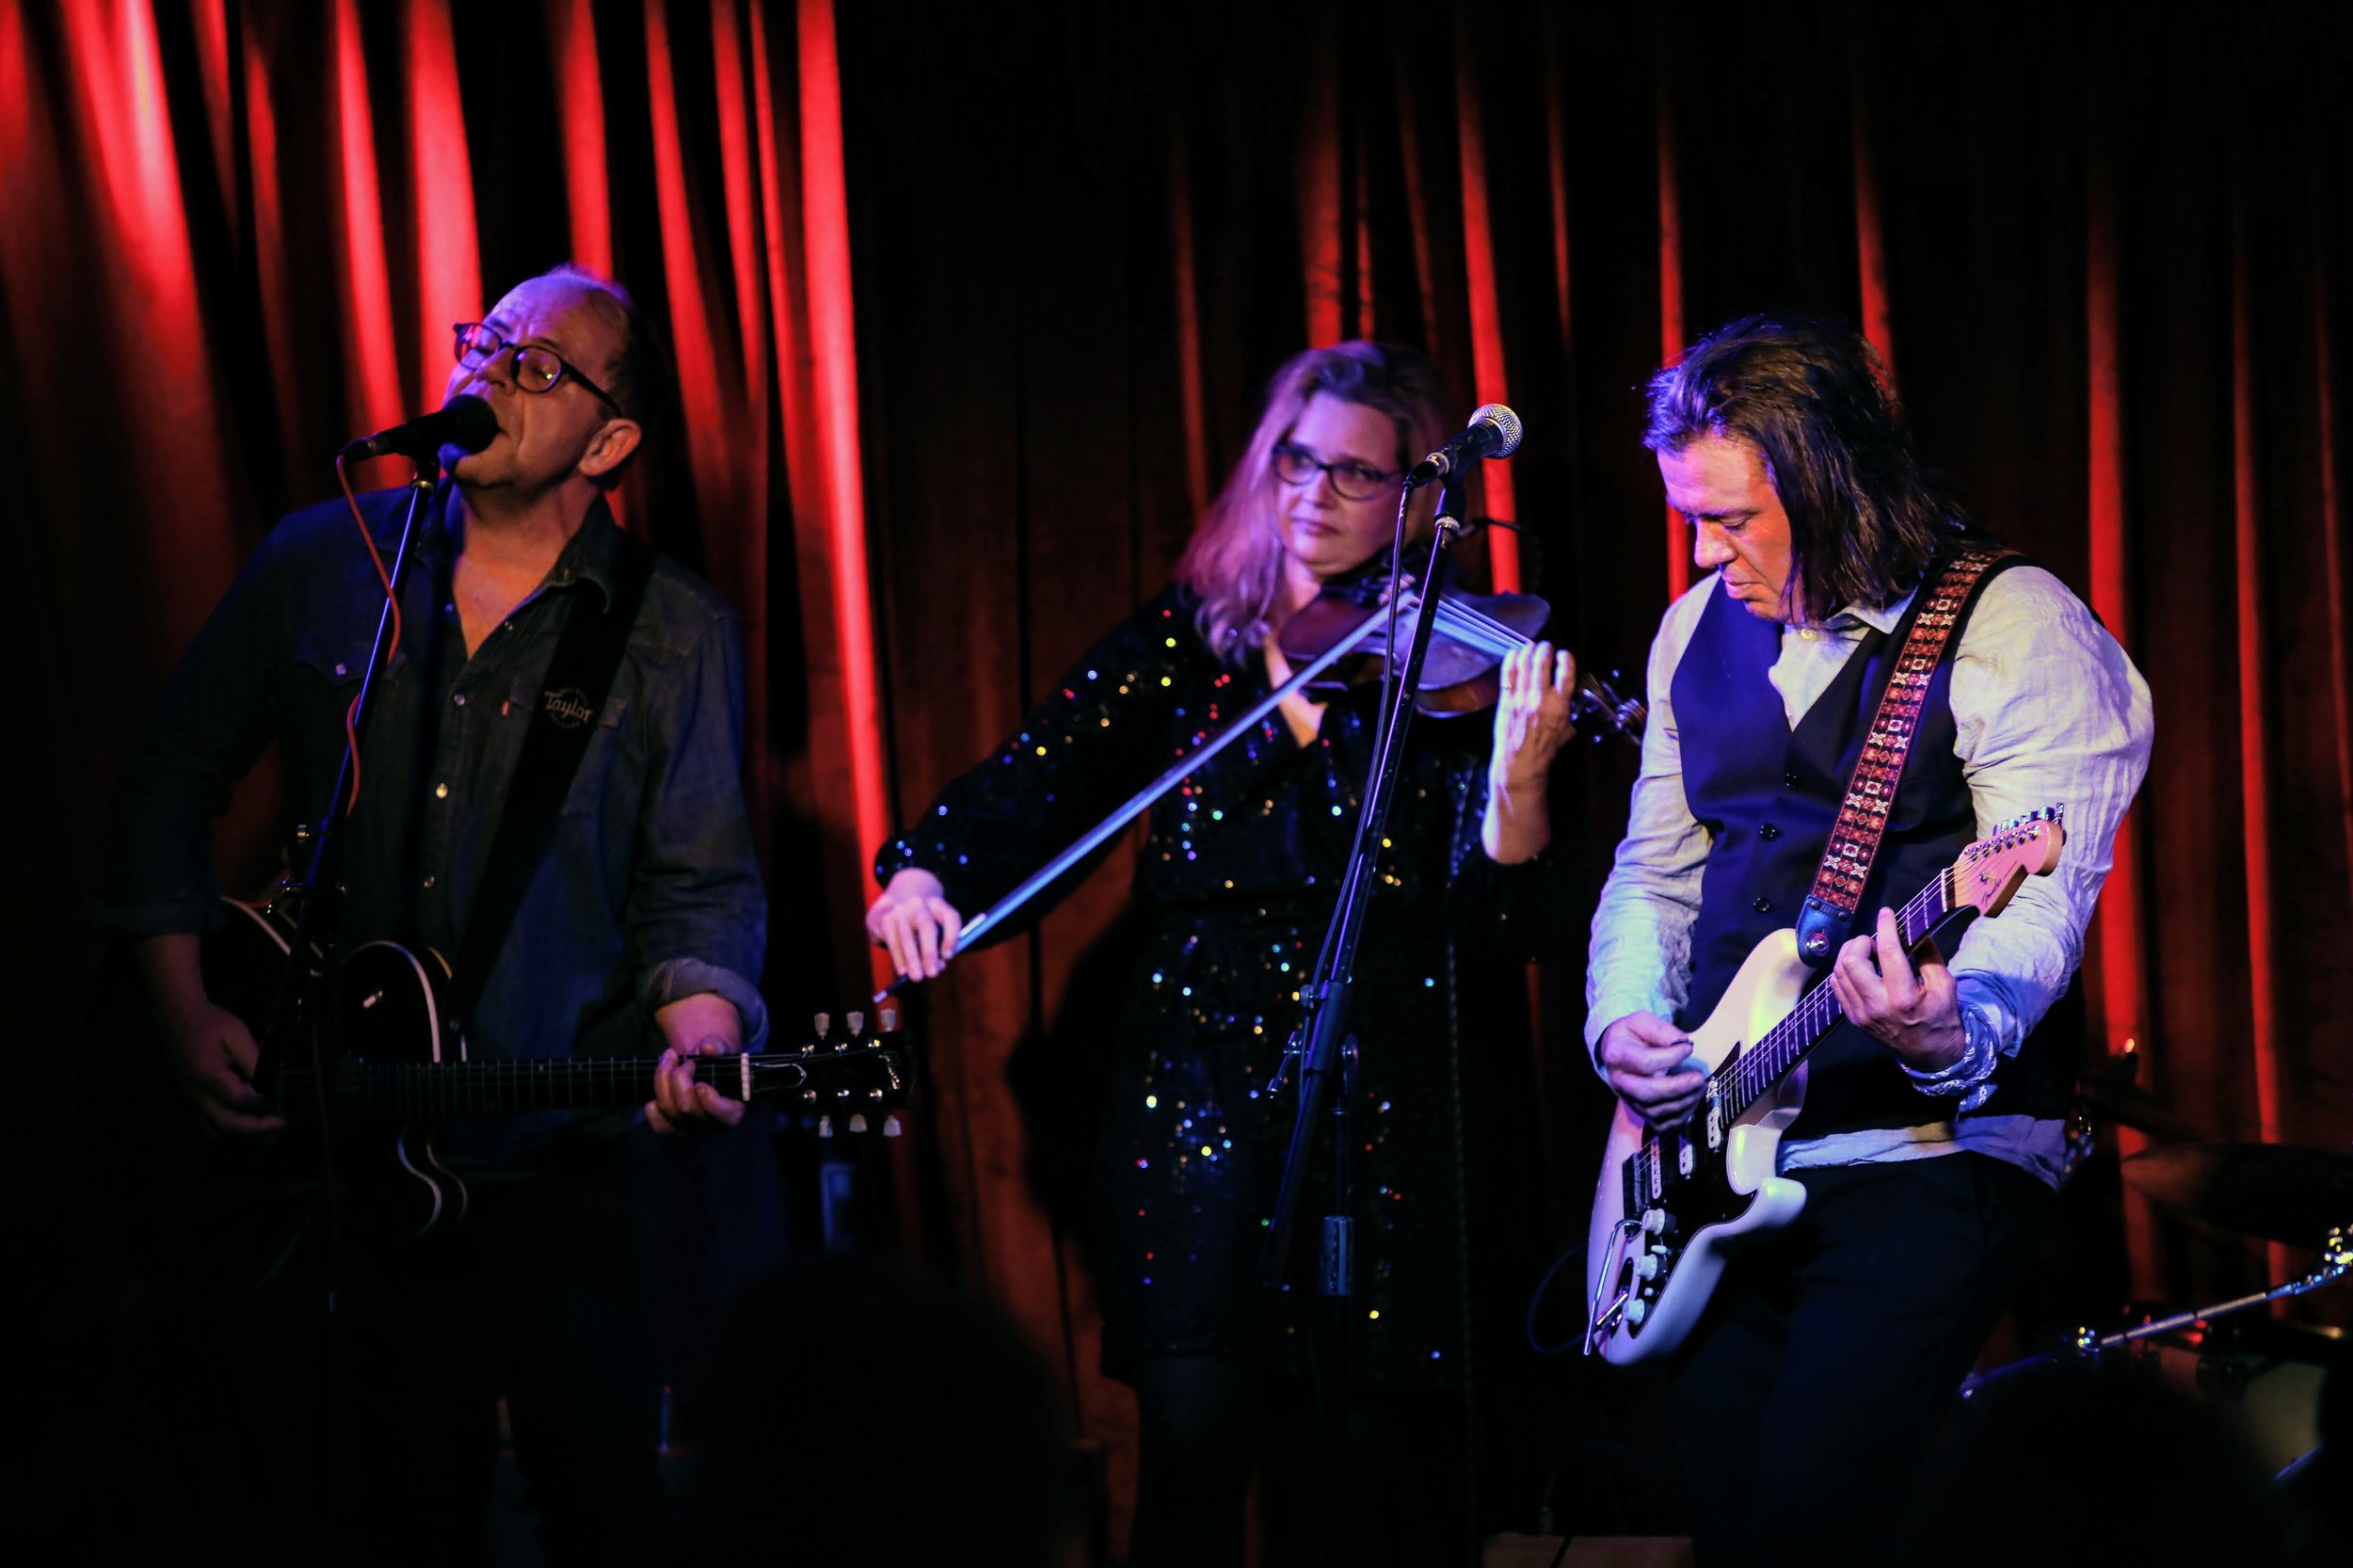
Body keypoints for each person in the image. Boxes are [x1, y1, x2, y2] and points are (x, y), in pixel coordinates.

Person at [89, 264, 769, 1563]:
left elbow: (703, 882)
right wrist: (182, 1008)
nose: (484, 373)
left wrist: (699, 1029)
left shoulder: (673, 632)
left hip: (558, 1152)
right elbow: (169, 769)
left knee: (599, 1501)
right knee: (387, 1508)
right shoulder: (326, 562)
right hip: (338, 1156)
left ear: (611, 440)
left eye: (535, 363)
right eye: (483, 341)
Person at [866, 342, 1580, 1567]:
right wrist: (928, 867)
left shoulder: (1450, 662)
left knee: (1348, 1486)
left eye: (1359, 473)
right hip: (1190, 1099)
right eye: (1297, 460)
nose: (1317, 492)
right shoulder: (1190, 641)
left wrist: (1517, 787)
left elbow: (1501, 924)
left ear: (1418, 490)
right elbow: (1050, 774)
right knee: (1194, 1457)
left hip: (1383, 1106)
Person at [1584, 313, 2154, 1565]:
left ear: (1834, 479)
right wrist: (1622, 1013)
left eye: (1732, 518)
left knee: (1818, 1512)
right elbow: (1658, 867)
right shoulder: (1693, 631)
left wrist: (1951, 1025)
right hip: (1720, 1142)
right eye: (1691, 515)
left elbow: (2037, 910)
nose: (1704, 550)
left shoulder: (2020, 628)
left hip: (1930, 1145)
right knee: (1731, 1517)